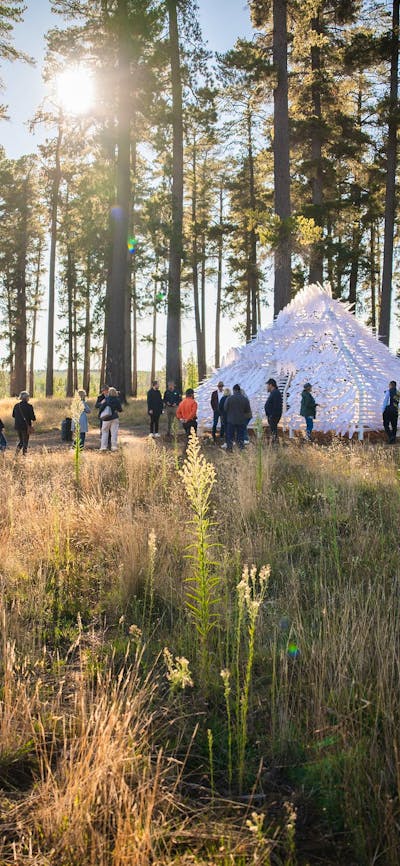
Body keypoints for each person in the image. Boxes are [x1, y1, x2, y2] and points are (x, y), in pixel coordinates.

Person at [224, 384, 252, 451]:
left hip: (231, 420)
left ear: (234, 390)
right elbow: (247, 410)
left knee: (230, 436)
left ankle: (229, 449)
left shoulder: (229, 398)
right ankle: (241, 449)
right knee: (240, 436)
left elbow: (225, 408)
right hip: (241, 421)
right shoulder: (245, 399)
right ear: (239, 390)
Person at [99, 386, 123, 452]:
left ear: (109, 392)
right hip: (115, 418)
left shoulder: (106, 399)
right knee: (114, 433)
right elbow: (120, 410)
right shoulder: (117, 400)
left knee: (104, 432)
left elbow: (101, 408)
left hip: (106, 418)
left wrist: (100, 415)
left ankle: (103, 447)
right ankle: (114, 447)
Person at [12, 391, 36, 455]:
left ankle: (16, 454)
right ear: (26, 398)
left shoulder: (16, 406)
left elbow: (13, 415)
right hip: (25, 427)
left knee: (21, 441)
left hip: (17, 426)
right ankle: (24, 455)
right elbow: (33, 418)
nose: (29, 398)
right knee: (25, 442)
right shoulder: (29, 406)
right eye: (28, 397)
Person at [264, 378, 283, 444]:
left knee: (274, 432)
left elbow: (276, 406)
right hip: (272, 416)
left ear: (271, 385)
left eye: (268, 385)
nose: (267, 387)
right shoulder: (273, 393)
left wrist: (272, 416)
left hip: (273, 416)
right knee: (273, 432)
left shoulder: (275, 393)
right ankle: (274, 445)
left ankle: (275, 445)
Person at [96, 385, 111, 450]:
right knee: (102, 429)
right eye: (104, 390)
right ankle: (103, 443)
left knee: (110, 429)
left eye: (106, 390)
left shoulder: (111, 396)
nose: (105, 392)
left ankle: (109, 442)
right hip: (102, 415)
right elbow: (96, 405)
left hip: (110, 415)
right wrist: (101, 403)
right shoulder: (100, 397)